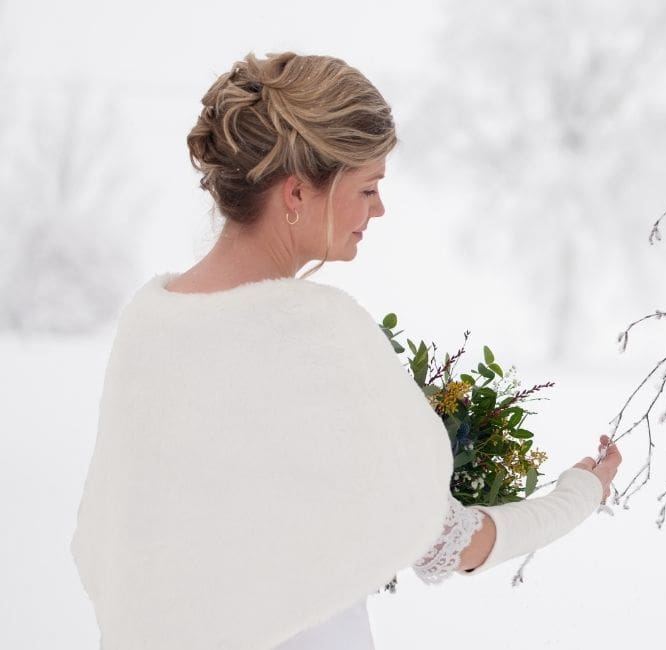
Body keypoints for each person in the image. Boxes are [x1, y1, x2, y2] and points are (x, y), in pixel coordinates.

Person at [68, 51, 622, 650]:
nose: (378, 210)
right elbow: (450, 544)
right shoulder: (314, 336)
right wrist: (579, 494)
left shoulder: (150, 325)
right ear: (298, 192)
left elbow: (118, 546)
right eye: (368, 187)